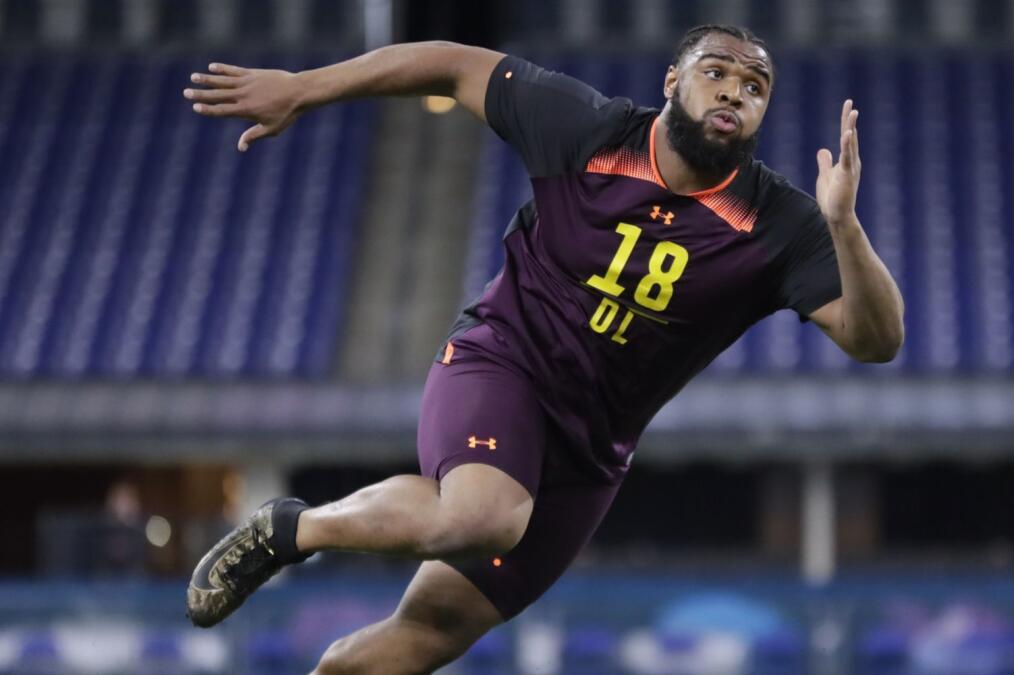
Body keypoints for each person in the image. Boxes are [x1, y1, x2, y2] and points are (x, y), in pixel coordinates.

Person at [183, 24, 904, 674]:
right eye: (716, 71)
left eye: (755, 87)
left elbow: (877, 340)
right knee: (482, 516)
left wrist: (844, 226)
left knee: (425, 633)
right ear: (671, 82)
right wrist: (303, 90)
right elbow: (448, 63)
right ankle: (291, 528)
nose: (735, 92)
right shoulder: (588, 129)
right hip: (505, 363)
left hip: (591, 451)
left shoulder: (780, 222)